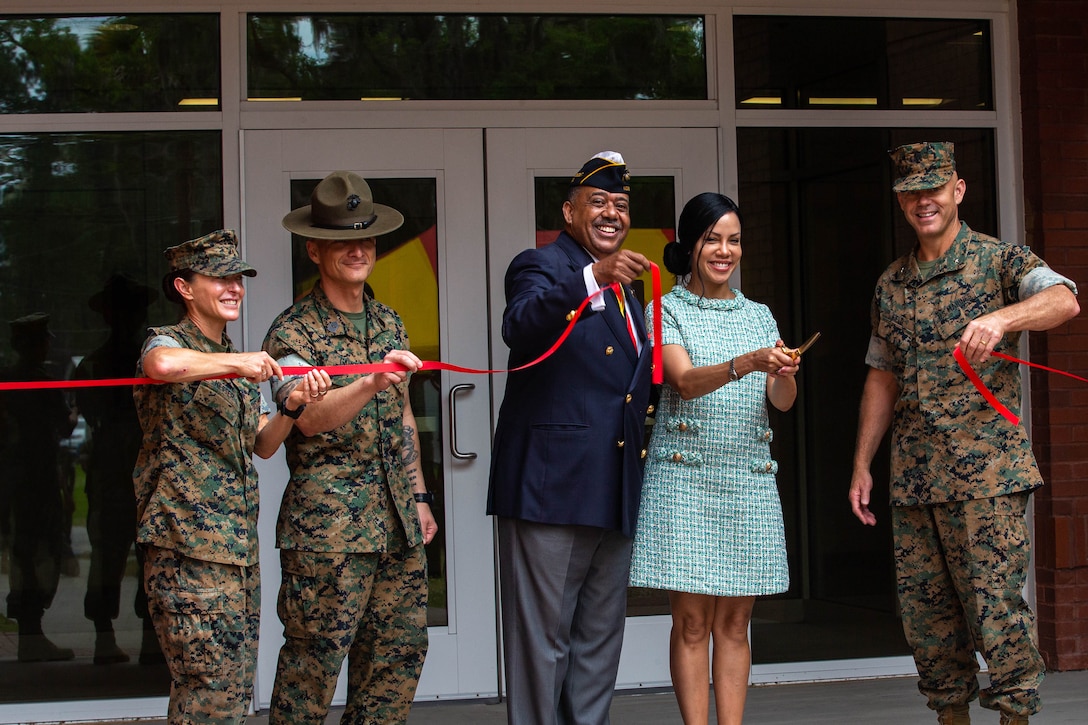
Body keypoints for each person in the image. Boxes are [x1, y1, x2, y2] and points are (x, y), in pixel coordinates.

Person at [849, 142, 1080, 725]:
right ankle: (950, 717)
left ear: (958, 190)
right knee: (929, 625)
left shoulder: (1000, 262)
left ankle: (1015, 718)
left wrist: (1003, 318)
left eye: (933, 188)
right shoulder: (892, 285)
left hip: (988, 479)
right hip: (915, 479)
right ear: (900, 201)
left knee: (996, 615)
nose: (923, 201)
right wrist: (862, 464)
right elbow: (882, 376)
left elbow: (1064, 300)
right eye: (910, 192)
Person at [263, 170, 438, 725]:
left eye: (365, 238)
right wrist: (367, 381)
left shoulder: (389, 321)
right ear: (315, 249)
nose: (358, 250)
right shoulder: (293, 331)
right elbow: (306, 418)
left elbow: (403, 414)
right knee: (313, 667)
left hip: (395, 523)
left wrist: (419, 498)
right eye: (343, 241)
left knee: (396, 661)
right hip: (329, 530)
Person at [133, 229, 330, 723]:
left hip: (235, 553)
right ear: (184, 287)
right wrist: (236, 362)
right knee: (206, 692)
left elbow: (262, 445)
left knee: (234, 691)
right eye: (219, 277)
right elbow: (161, 364)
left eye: (238, 278)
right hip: (187, 551)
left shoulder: (238, 362)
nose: (234, 287)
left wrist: (292, 405)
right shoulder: (174, 342)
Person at [487, 151, 654, 724]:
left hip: (612, 488)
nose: (613, 214)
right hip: (550, 488)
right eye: (599, 202)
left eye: (622, 205)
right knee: (543, 647)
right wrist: (591, 279)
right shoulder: (542, 266)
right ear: (568, 210)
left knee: (598, 644)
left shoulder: (630, 290)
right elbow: (522, 324)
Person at [628, 192, 800, 725]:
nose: (724, 251)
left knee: (736, 621)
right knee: (692, 621)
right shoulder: (666, 309)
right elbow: (682, 380)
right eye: (712, 239)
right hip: (685, 478)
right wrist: (748, 361)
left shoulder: (759, 313)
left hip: (748, 477)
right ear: (689, 244)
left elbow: (781, 403)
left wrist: (783, 377)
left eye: (734, 240)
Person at [75, 274, 162, 665]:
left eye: (134, 310)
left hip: (143, 473)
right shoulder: (95, 365)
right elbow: (91, 415)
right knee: (107, 559)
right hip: (111, 473)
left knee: (150, 558)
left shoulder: (151, 360)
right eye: (121, 310)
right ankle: (103, 636)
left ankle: (149, 637)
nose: (129, 317)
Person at [0, 312, 78, 662]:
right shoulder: (38, 383)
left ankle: (31, 631)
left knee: (26, 551)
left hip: (21, 478)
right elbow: (62, 428)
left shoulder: (10, 379)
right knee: (37, 553)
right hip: (31, 479)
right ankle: (31, 631)